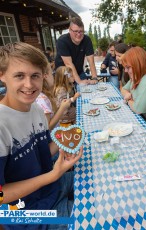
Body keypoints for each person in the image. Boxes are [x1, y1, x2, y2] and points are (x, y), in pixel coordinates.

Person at [0, 42, 82, 230]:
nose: (29, 85)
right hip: (28, 214)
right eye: (19, 75)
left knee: (98, 181)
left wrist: (66, 140)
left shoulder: (36, 109)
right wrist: (53, 175)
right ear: (2, 75)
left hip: (52, 187)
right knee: (91, 222)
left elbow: (42, 150)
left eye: (35, 76)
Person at [54, 17, 97, 85]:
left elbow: (91, 61)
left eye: (81, 31)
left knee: (87, 90)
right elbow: (68, 64)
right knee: (68, 94)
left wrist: (94, 78)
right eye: (76, 31)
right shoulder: (62, 41)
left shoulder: (87, 40)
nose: (79, 34)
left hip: (79, 72)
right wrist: (79, 82)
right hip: (64, 74)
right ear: (70, 30)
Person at [36, 63, 75, 130]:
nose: (54, 76)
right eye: (52, 73)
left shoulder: (45, 95)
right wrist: (62, 108)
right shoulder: (42, 99)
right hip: (54, 136)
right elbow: (47, 127)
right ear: (46, 76)